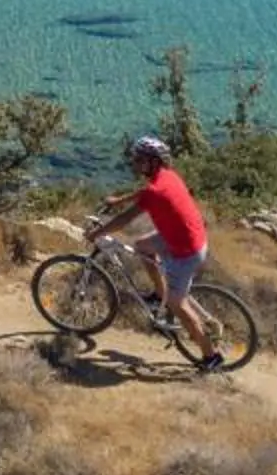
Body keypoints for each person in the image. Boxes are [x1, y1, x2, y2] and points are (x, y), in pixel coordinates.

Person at [89, 134, 226, 370]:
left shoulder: (157, 191)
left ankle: (210, 356)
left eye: (140, 159)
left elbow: (124, 220)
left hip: (186, 251)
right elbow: (145, 193)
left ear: (154, 161)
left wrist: (98, 233)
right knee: (143, 246)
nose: (136, 163)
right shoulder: (167, 177)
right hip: (189, 237)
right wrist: (118, 200)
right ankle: (158, 294)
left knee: (177, 303)